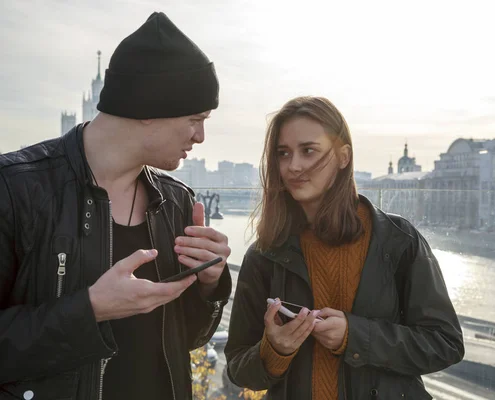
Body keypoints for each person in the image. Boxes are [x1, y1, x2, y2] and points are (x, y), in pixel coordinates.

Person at [0, 12, 232, 400]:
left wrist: (209, 283)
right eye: (196, 118)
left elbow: (188, 339)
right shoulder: (14, 189)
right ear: (148, 108)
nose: (201, 136)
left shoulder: (177, 202)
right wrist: (88, 310)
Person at [225, 96, 464, 399]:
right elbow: (237, 368)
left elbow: (446, 344)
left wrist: (355, 336)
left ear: (343, 156)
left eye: (308, 151)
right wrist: (275, 350)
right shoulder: (264, 254)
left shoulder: (397, 239)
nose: (293, 166)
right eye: (283, 153)